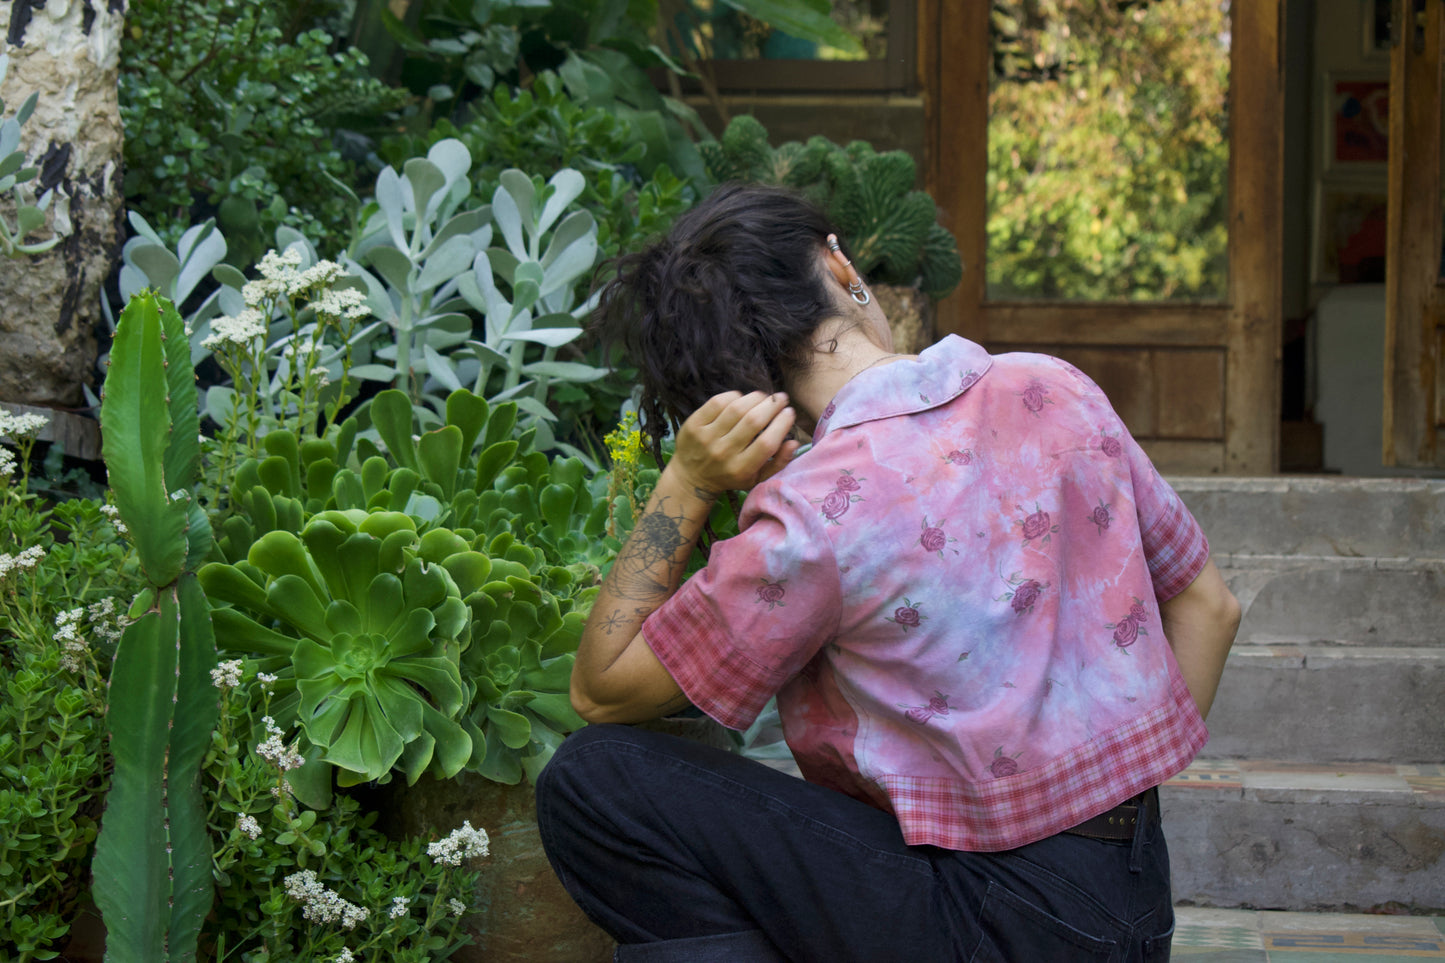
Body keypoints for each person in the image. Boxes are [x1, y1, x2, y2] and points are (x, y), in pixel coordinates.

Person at [535, 183, 1241, 962]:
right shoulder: (1054, 387)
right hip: (1131, 904)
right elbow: (1210, 609)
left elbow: (599, 689)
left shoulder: (813, 515)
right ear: (839, 269)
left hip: (986, 921)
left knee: (591, 779)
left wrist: (688, 482)